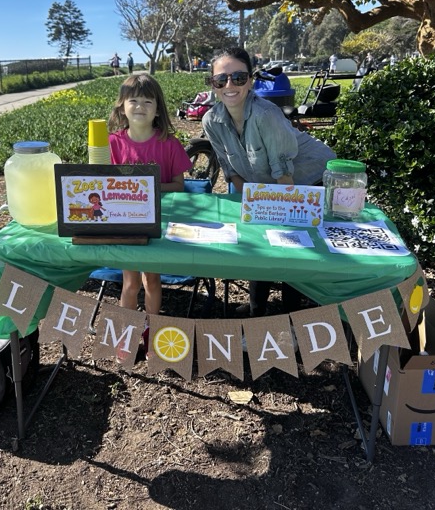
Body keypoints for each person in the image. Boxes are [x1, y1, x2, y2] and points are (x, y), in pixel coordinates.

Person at [202, 46, 337, 317]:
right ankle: (257, 311)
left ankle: (290, 316)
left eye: (238, 78)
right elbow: (233, 172)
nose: (230, 85)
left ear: (250, 80)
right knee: (260, 242)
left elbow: (284, 178)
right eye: (221, 80)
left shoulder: (265, 115)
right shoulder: (211, 121)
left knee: (291, 247)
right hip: (272, 185)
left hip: (308, 180)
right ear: (213, 85)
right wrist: (255, 207)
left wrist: (270, 211)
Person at [108, 74, 193, 347]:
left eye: (148, 101)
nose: (140, 106)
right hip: (125, 226)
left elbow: (179, 186)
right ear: (122, 106)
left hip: (161, 224)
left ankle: (153, 331)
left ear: (158, 108)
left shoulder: (169, 143)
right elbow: (102, 186)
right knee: (130, 283)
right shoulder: (112, 144)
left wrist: (148, 187)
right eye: (133, 100)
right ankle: (127, 333)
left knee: (152, 281)